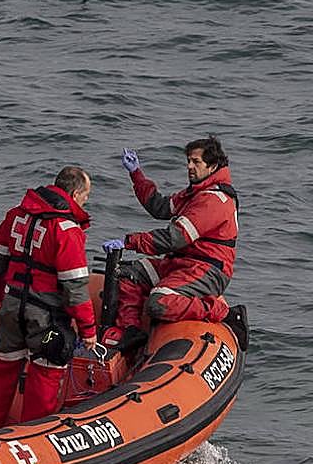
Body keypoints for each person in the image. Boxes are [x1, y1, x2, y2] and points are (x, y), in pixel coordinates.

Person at [0, 166, 97, 429]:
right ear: (75, 194)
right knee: (45, 376)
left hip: (11, 306)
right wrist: (88, 331)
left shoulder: (16, 216)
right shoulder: (66, 229)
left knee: (0, 372)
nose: (86, 201)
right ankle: (32, 437)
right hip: (46, 318)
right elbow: (74, 288)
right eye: (86, 196)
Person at [101, 136, 244, 348]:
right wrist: (136, 174)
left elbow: (174, 238)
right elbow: (159, 207)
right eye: (188, 161)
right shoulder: (195, 193)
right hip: (179, 264)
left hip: (206, 270)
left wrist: (128, 242)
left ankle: (222, 312)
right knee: (125, 275)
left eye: (196, 162)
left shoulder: (215, 201)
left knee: (158, 303)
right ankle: (131, 331)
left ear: (212, 166)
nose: (189, 167)